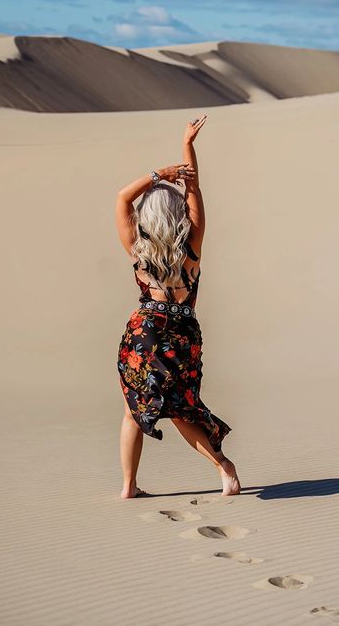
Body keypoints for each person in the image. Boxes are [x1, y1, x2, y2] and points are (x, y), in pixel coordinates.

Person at [115, 113, 241, 500]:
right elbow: (195, 190)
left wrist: (157, 175)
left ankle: (129, 486)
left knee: (134, 409)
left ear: (147, 218)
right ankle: (225, 470)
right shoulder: (192, 250)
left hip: (144, 334)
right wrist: (187, 147)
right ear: (179, 217)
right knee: (183, 408)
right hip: (184, 334)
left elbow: (122, 197)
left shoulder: (139, 251)